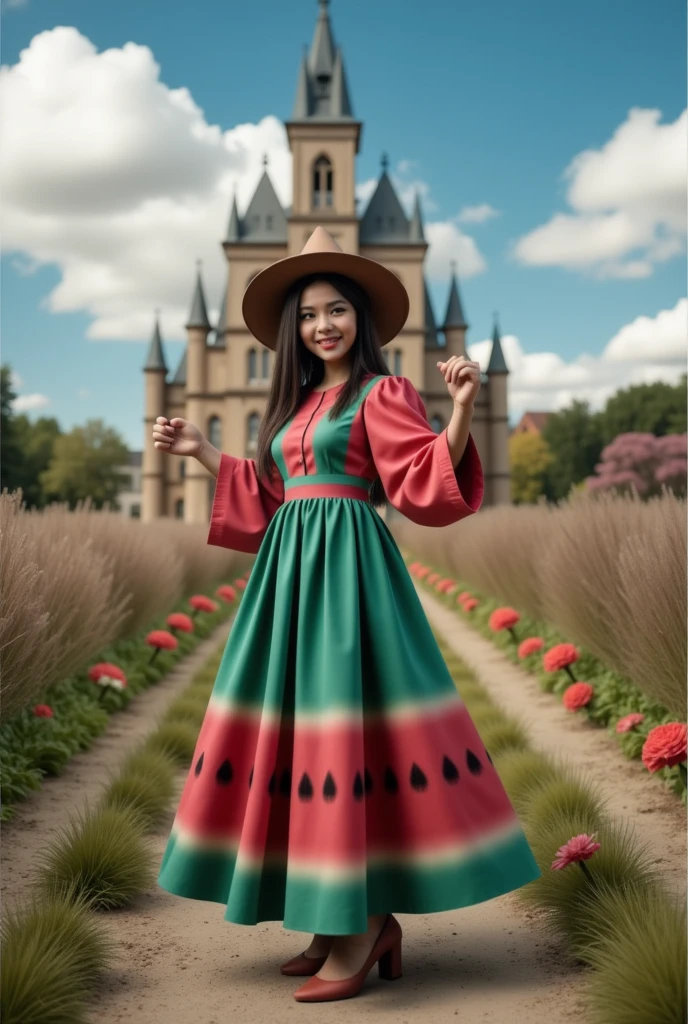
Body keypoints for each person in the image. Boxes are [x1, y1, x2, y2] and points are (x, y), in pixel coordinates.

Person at [153, 226, 541, 1004]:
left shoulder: (382, 393)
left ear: (359, 319)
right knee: (299, 739)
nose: (322, 325)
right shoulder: (295, 407)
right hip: (286, 581)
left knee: (348, 735)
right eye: (307, 315)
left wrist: (461, 407)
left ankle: (365, 927)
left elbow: (422, 480)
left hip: (350, 578)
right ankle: (334, 921)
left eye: (336, 310)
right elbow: (272, 498)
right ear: (294, 331)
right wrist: (201, 448)